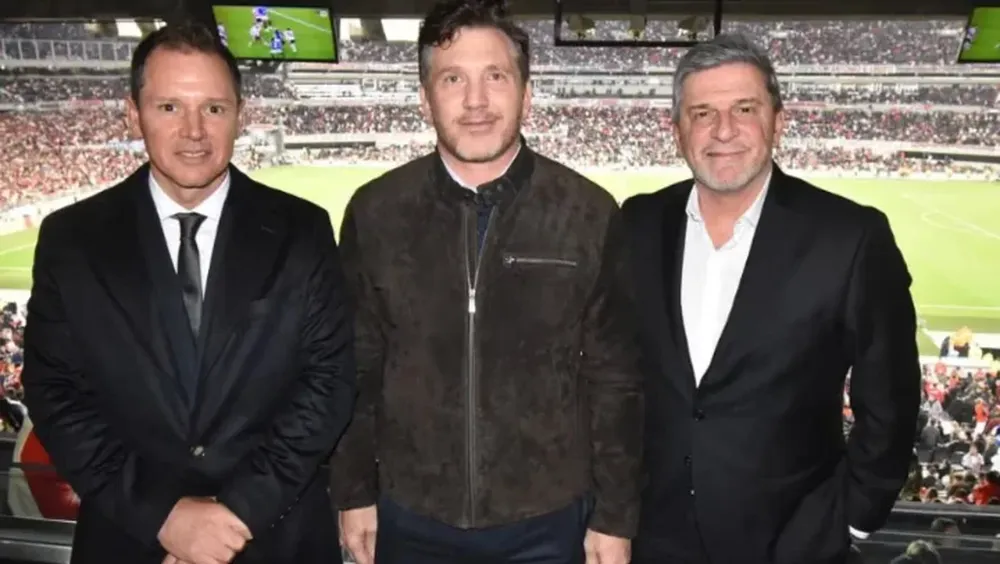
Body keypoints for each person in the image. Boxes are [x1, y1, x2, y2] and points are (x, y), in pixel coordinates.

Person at [21, 21, 355, 564]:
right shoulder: (72, 239)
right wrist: (164, 517)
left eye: (214, 109)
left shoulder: (304, 230)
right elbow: (55, 392)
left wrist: (236, 515)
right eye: (170, 107)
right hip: (131, 539)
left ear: (240, 116)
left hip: (274, 536)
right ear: (134, 113)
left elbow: (329, 383)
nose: (194, 131)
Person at [332, 1, 643, 563]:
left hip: (548, 520)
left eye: (495, 77)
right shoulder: (377, 212)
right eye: (453, 79)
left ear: (526, 93)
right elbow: (356, 363)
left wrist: (616, 516)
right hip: (411, 512)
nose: (476, 101)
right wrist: (353, 491)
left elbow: (615, 379)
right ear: (425, 98)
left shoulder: (588, 213)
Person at [622, 33, 920, 564]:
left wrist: (852, 520)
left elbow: (891, 403)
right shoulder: (636, 223)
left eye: (744, 108)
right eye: (702, 113)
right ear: (677, 132)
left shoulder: (850, 237)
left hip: (792, 542)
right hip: (650, 540)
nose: (724, 131)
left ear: (778, 121)